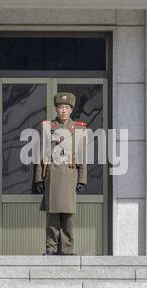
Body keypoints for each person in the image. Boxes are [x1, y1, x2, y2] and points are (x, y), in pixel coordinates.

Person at [34, 92, 87, 255]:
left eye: (66, 107)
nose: (63, 110)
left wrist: (82, 180)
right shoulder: (47, 127)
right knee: (52, 215)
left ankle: (67, 249)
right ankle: (50, 248)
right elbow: (40, 153)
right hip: (52, 175)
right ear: (56, 109)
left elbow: (83, 156)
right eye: (60, 107)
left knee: (68, 216)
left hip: (70, 175)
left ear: (71, 110)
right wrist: (38, 179)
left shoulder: (79, 128)